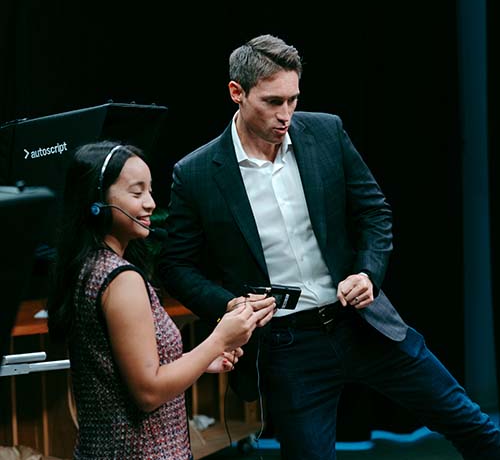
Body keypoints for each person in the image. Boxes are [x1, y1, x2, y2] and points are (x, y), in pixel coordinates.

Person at [157, 34, 500, 460]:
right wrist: (230, 306)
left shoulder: (325, 131)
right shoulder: (196, 173)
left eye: (293, 99)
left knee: (476, 427)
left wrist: (367, 273)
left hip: (362, 323)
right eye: (272, 102)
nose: (286, 114)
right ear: (237, 93)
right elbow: (175, 265)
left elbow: (374, 212)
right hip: (287, 345)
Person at [47, 140, 275, 460]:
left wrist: (199, 362)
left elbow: (125, 370)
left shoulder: (86, 266)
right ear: (97, 200)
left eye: (150, 191)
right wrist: (218, 339)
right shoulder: (121, 279)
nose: (151, 203)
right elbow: (148, 392)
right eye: (137, 192)